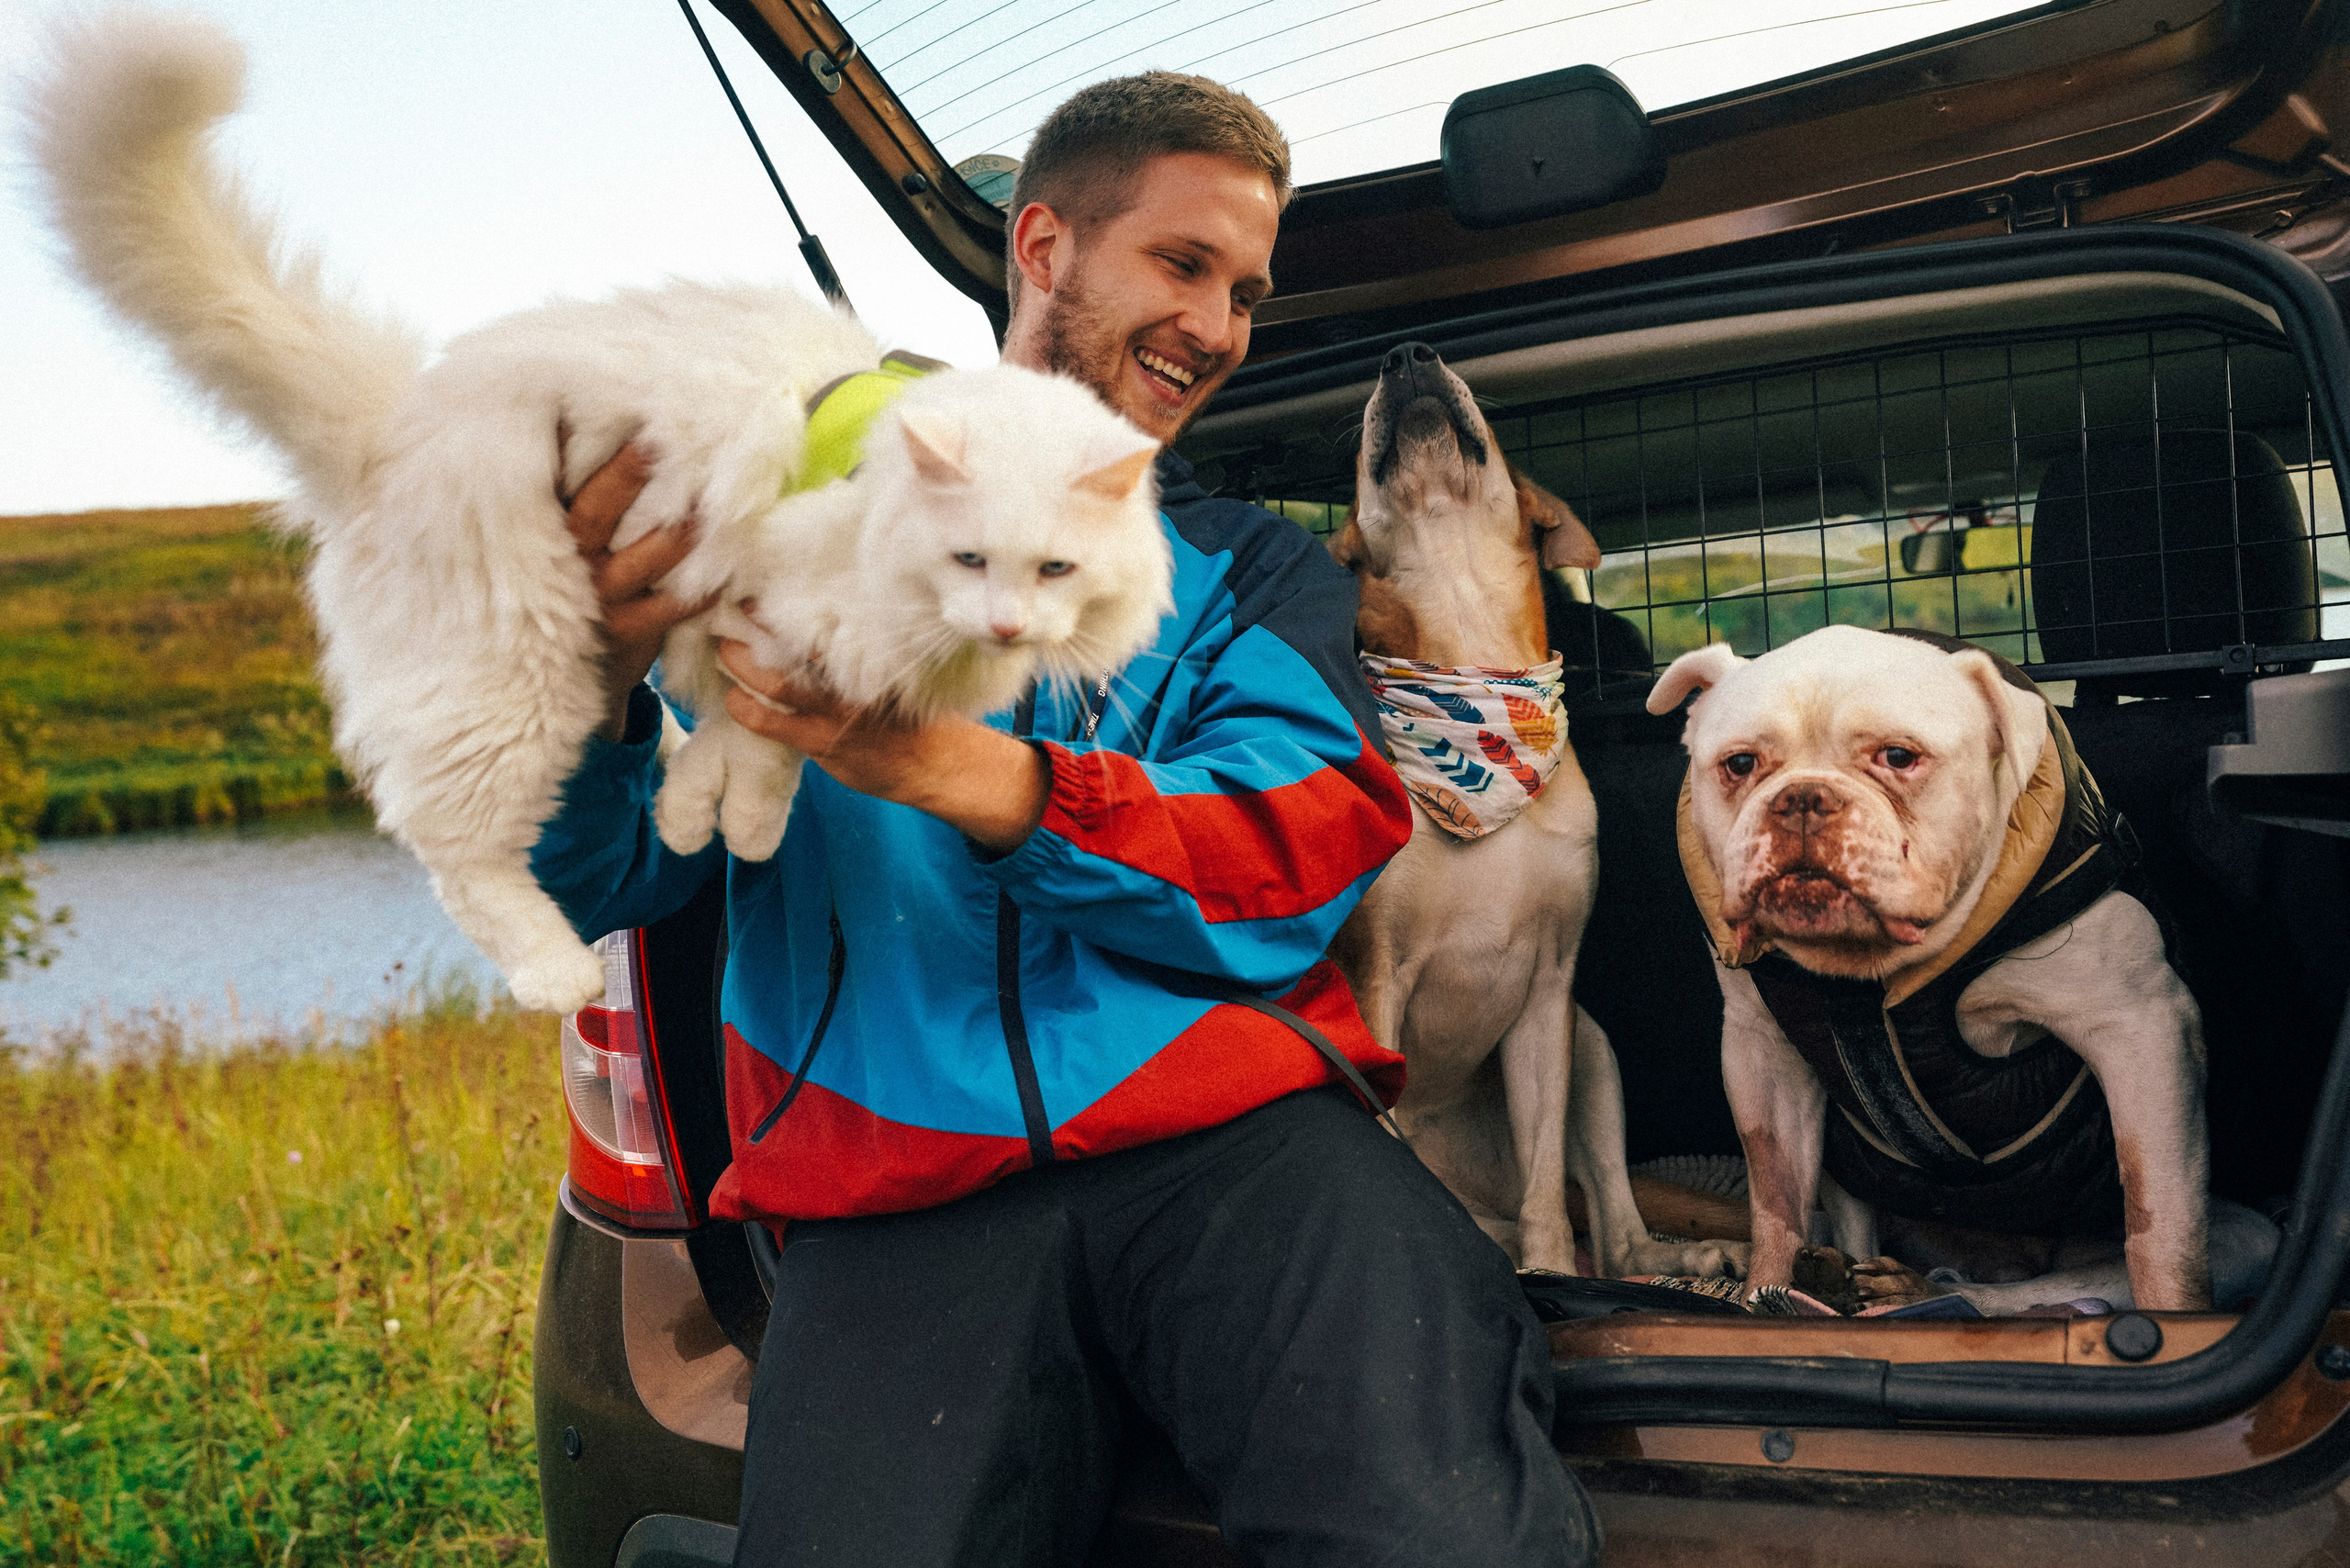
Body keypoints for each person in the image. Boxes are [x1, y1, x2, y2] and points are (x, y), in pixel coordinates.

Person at [533, 71, 1598, 1568]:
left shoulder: (1252, 574)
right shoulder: (791, 521)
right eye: (1183, 265)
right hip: (887, 1180)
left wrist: (946, 770)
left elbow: (1292, 852)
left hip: (1244, 1153)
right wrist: (593, 684)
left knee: (1438, 1539)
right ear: (1041, 248)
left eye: (1245, 291)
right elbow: (604, 876)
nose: (1222, 327)